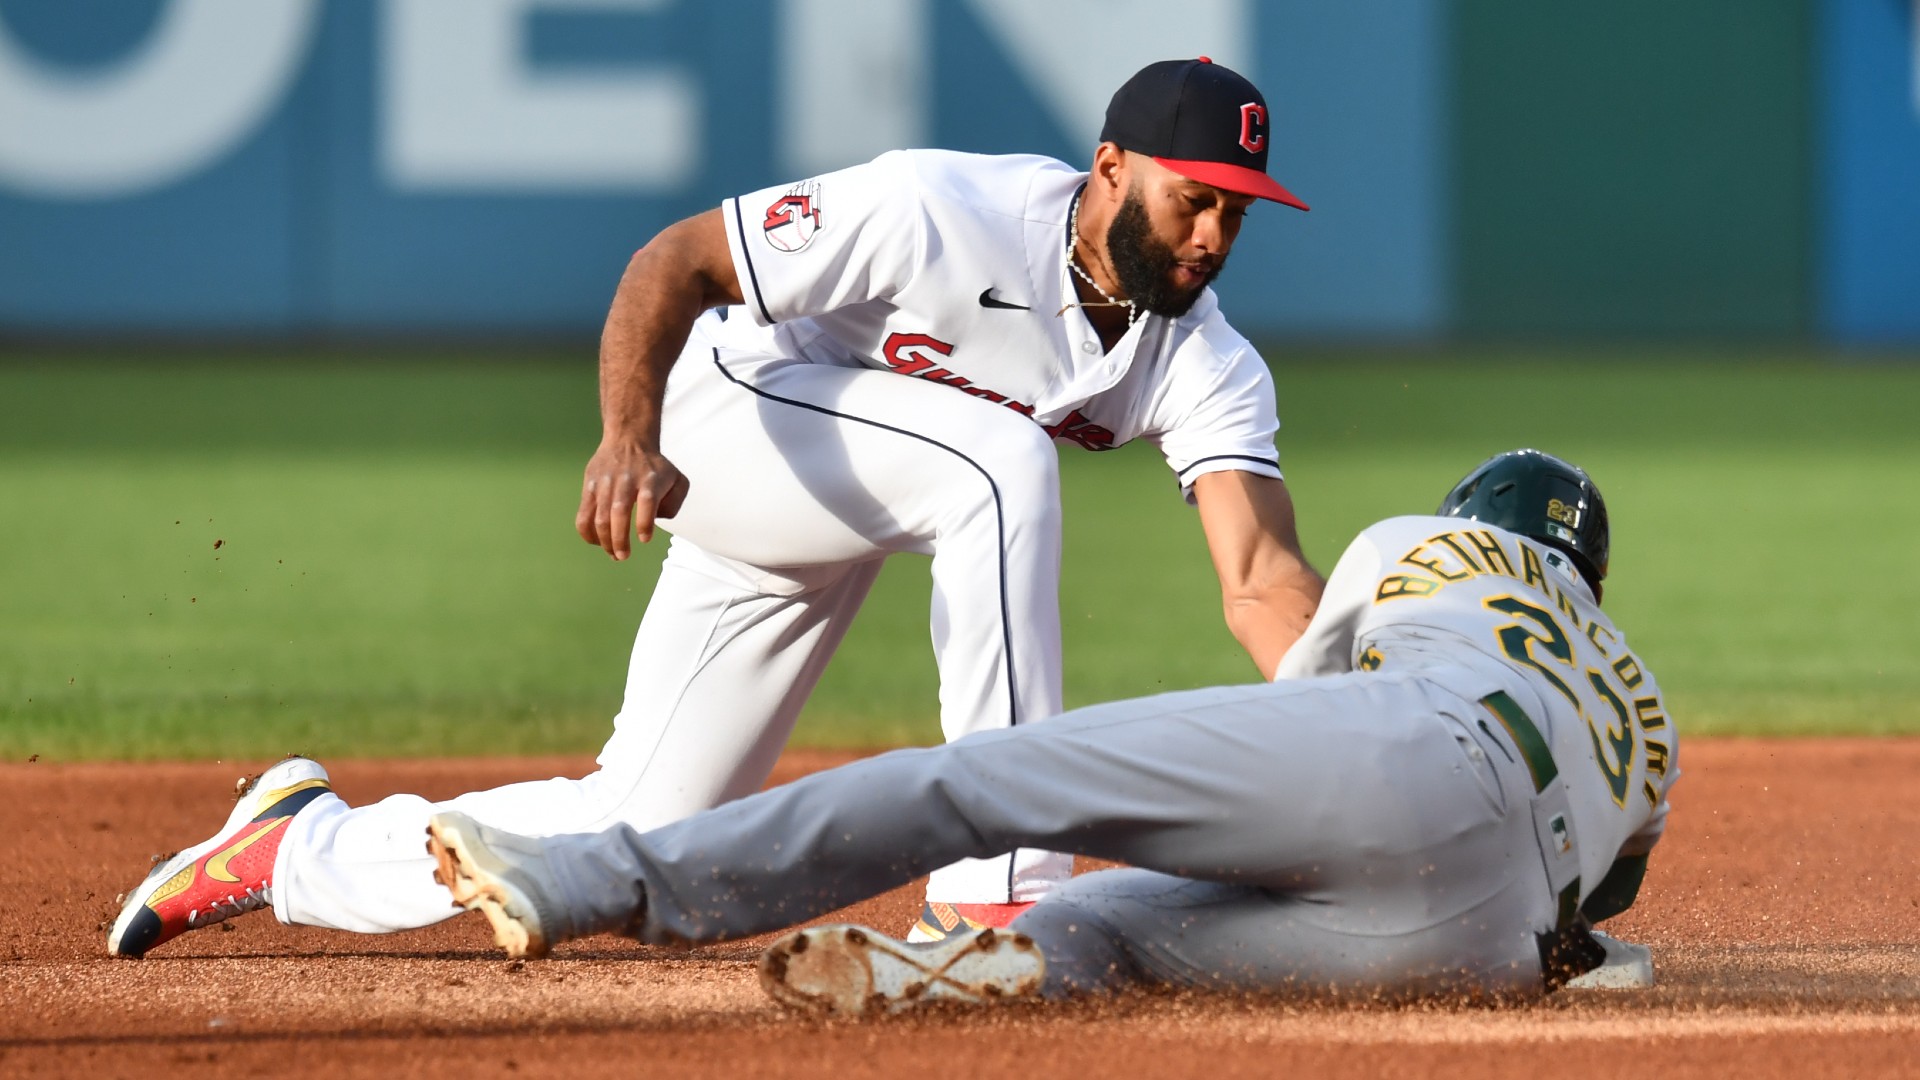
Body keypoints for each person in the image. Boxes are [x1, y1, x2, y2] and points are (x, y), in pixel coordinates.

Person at [106, 57, 1324, 959]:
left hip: (850, 490)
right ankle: (998, 880)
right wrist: (625, 437)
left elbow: (1262, 581)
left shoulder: (1205, 358)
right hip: (737, 415)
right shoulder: (941, 208)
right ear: (1109, 166)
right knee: (1001, 464)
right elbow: (675, 260)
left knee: (636, 814)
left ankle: (294, 847)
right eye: (1192, 198)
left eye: (1237, 210)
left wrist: (1370, 728)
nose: (1214, 235)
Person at [421, 449, 1677, 1014]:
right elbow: (1601, 907)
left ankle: (589, 875)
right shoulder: (1645, 704)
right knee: (1100, 934)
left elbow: (1309, 695)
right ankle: (938, 983)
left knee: (991, 781)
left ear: (1482, 515)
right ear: (1593, 578)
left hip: (1405, 751)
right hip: (1478, 941)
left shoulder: (1420, 540)